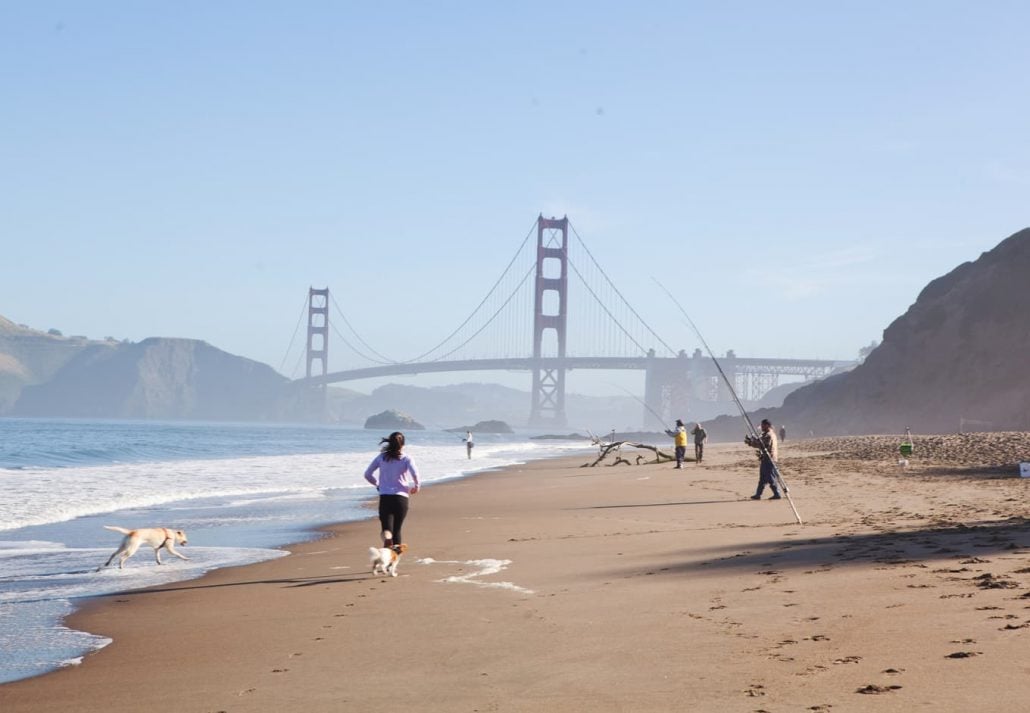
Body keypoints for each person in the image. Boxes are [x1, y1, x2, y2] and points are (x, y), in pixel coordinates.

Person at [364, 431, 420, 548]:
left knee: (387, 531)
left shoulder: (381, 457)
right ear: (403, 445)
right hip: (401, 498)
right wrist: (416, 486)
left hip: (385, 497)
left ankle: (387, 548)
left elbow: (368, 474)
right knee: (397, 530)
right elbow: (415, 473)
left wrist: (378, 484)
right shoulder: (407, 458)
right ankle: (394, 560)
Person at [745, 419, 781, 500]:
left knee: (770, 477)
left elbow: (762, 445)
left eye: (763, 425)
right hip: (766, 458)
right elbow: (760, 442)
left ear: (767, 425)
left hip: (769, 459)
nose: (761, 427)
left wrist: (750, 443)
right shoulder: (768, 434)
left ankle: (777, 493)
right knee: (762, 478)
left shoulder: (769, 435)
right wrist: (751, 440)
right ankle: (758, 494)